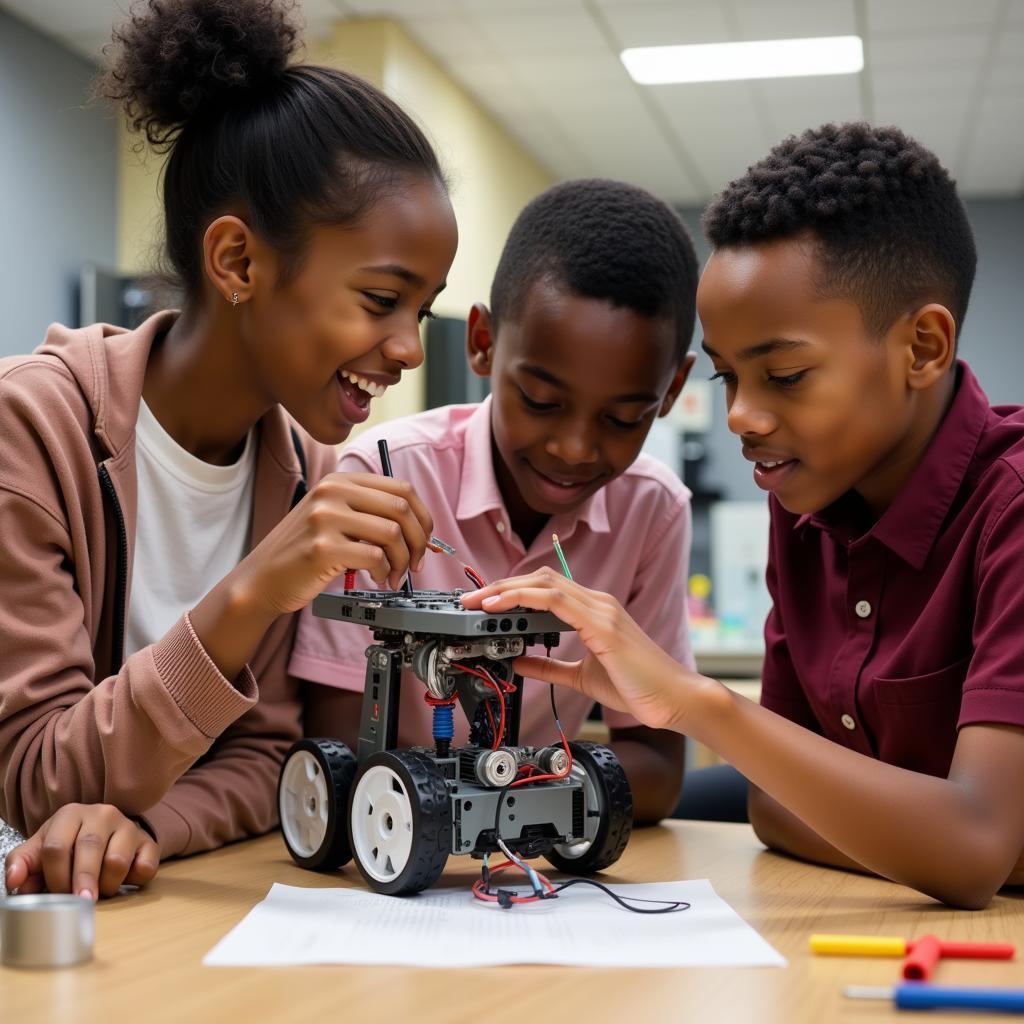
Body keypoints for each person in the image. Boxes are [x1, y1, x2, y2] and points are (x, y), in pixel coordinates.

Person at [463, 122, 1024, 909]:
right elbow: (775, 808)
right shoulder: (805, 502)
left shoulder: (1012, 513)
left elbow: (969, 853)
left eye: (785, 375)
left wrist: (698, 704)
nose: (742, 417)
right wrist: (938, 837)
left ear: (923, 348)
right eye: (728, 378)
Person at [1, 0, 457, 901]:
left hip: (143, 903)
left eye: (423, 310)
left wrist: (146, 827)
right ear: (239, 262)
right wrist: (254, 589)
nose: (408, 348)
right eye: (379, 301)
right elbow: (35, 780)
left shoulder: (306, 478)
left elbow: (269, 760)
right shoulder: (31, 430)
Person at [291, 178, 698, 822]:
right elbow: (341, 747)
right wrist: (530, 798)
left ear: (671, 390)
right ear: (482, 341)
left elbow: (653, 768)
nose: (572, 447)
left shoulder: (654, 510)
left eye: (622, 419)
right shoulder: (380, 479)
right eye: (541, 400)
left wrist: (504, 803)